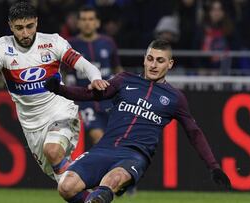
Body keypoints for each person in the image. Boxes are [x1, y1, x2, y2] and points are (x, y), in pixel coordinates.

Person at [45, 39, 231, 203]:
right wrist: (59, 89)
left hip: (134, 156)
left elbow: (193, 132)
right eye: (150, 59)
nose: (153, 65)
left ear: (170, 64)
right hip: (104, 148)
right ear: (144, 59)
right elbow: (89, 94)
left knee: (109, 184)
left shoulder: (175, 98)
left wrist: (213, 166)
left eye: (160, 60)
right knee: (66, 187)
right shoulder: (124, 80)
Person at [0, 1, 109, 182]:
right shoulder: (3, 47)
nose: (25, 33)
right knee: (66, 187)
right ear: (10, 25)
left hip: (61, 112)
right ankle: (92, 186)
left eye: (29, 26)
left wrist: (95, 78)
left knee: (52, 150)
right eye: (19, 28)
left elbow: (86, 66)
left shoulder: (53, 43)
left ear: (36, 21)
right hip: (32, 127)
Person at [64, 6, 123, 144]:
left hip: (109, 99)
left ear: (97, 22)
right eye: (83, 19)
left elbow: (117, 67)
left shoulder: (108, 42)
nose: (87, 23)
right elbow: (63, 71)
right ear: (78, 23)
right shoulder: (70, 44)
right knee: (98, 137)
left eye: (91, 19)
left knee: (115, 140)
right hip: (85, 101)